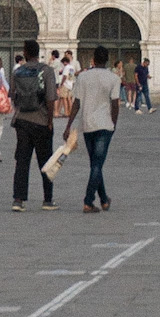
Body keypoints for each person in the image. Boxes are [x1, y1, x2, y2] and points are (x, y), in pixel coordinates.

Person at [64, 44, 120, 212]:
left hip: (87, 124)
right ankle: (88, 201)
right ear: (107, 60)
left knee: (95, 163)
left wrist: (68, 125)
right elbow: (115, 104)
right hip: (105, 124)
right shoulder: (113, 78)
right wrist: (113, 124)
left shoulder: (83, 77)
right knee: (97, 164)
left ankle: (104, 199)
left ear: (93, 60)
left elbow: (76, 103)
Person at [10, 41, 57, 211]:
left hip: (22, 120)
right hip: (41, 120)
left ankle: (18, 199)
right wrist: (50, 120)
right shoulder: (46, 71)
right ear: (38, 53)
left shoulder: (17, 72)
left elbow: (12, 95)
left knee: (22, 160)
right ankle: (47, 199)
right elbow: (51, 97)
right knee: (46, 160)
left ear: (25, 53)